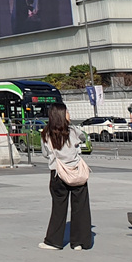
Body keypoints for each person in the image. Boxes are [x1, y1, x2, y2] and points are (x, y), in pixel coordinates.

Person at [39, 103, 92, 251]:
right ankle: (80, 242)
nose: (69, 114)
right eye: (67, 112)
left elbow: (45, 154)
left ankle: (54, 241)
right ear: (62, 115)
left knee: (58, 208)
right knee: (81, 207)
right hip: (76, 171)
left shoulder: (46, 134)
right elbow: (83, 137)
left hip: (58, 172)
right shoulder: (73, 131)